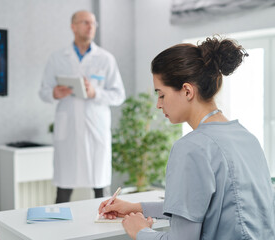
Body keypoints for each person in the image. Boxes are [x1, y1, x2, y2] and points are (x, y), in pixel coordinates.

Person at [98, 36, 275, 239]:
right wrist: (137, 207)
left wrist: (140, 231)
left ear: (187, 90)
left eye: (162, 94)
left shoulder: (191, 147)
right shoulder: (247, 138)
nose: (158, 104)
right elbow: (201, 205)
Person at [39, 10, 125, 203]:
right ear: (73, 26)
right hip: (67, 130)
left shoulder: (105, 58)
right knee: (64, 186)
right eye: (85, 22)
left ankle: (104, 226)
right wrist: (55, 93)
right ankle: (59, 231)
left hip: (95, 129)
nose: (90, 26)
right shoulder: (57, 58)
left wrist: (95, 93)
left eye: (93, 23)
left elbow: (119, 95)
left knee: (100, 185)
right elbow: (43, 91)